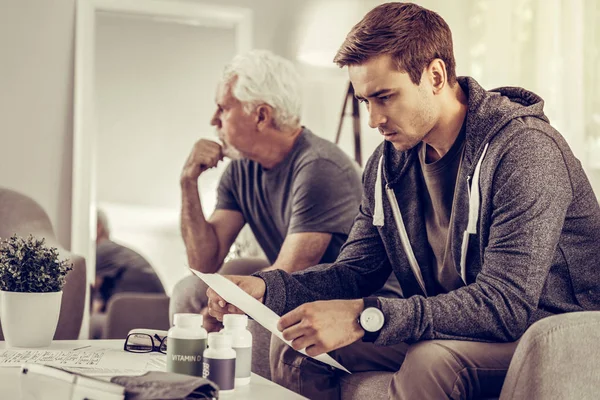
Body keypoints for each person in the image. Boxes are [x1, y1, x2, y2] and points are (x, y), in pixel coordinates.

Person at [206, 3, 600, 399]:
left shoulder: (524, 151)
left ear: (435, 75)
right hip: (454, 320)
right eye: (365, 102)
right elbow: (356, 271)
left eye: (385, 97)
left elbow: (505, 304)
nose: (374, 120)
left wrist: (365, 316)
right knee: (299, 344)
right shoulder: (388, 164)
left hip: (542, 330)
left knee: (431, 361)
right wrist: (265, 288)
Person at [170, 49, 402, 331]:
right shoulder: (240, 170)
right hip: (294, 288)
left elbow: (290, 273)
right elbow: (203, 262)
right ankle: (192, 375)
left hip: (352, 303)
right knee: (190, 290)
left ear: (261, 116)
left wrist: (231, 304)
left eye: (223, 108)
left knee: (258, 311)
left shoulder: (320, 167)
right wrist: (187, 182)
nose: (213, 120)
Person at [91, 209, 165, 338]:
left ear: (97, 227)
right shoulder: (116, 251)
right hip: (159, 312)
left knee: (90, 325)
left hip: (136, 310)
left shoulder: (103, 249)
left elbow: (89, 293)